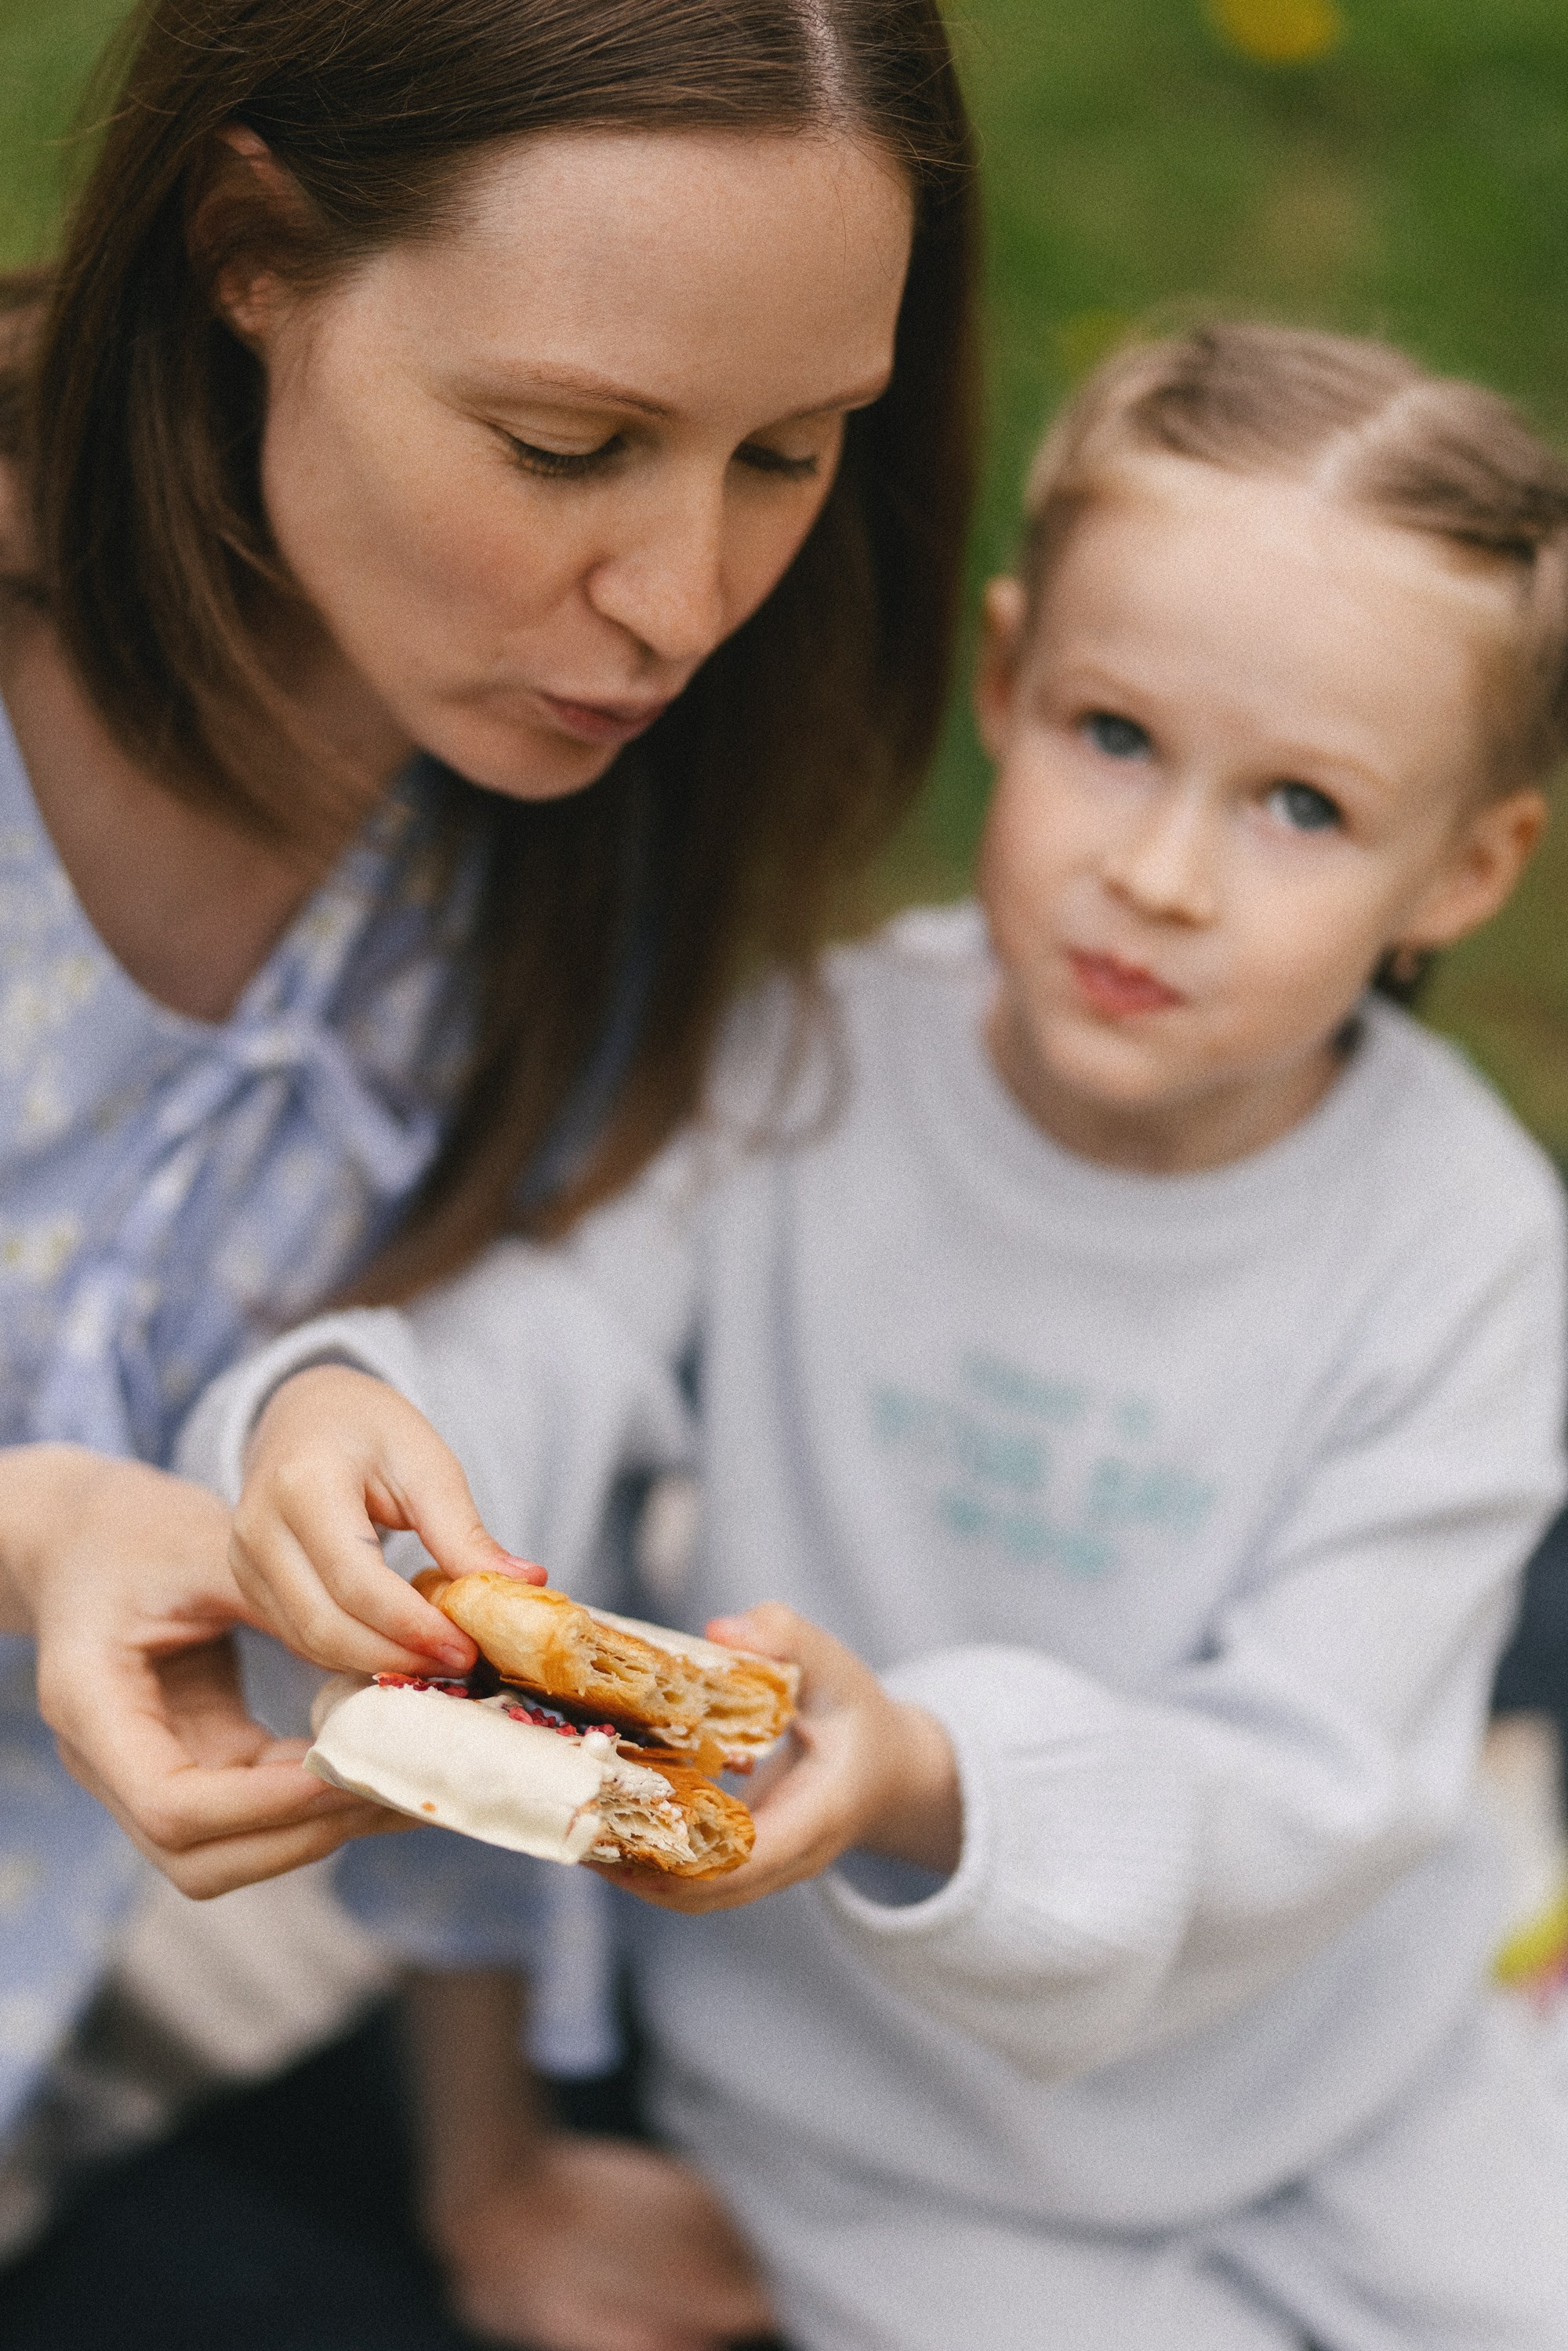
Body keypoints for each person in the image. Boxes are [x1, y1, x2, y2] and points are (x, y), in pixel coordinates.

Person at [199, 323, 1568, 2350]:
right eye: (1115, 735)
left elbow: (1320, 1780)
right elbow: (557, 1320)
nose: (1162, 872)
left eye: (1298, 804)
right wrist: (343, 1402)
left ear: (1464, 867)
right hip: (868, 2117)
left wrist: (932, 1768)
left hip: (1344, 2064)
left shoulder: (1470, 1247)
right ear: (1007, 681)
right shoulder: (809, 1067)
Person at [0, 0, 978, 2336]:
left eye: (792, 453)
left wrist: (490, 2172)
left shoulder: (572, 863)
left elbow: (469, 1565)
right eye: (567, 444)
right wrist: (33, 1523)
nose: (683, 604)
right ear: (248, 247)